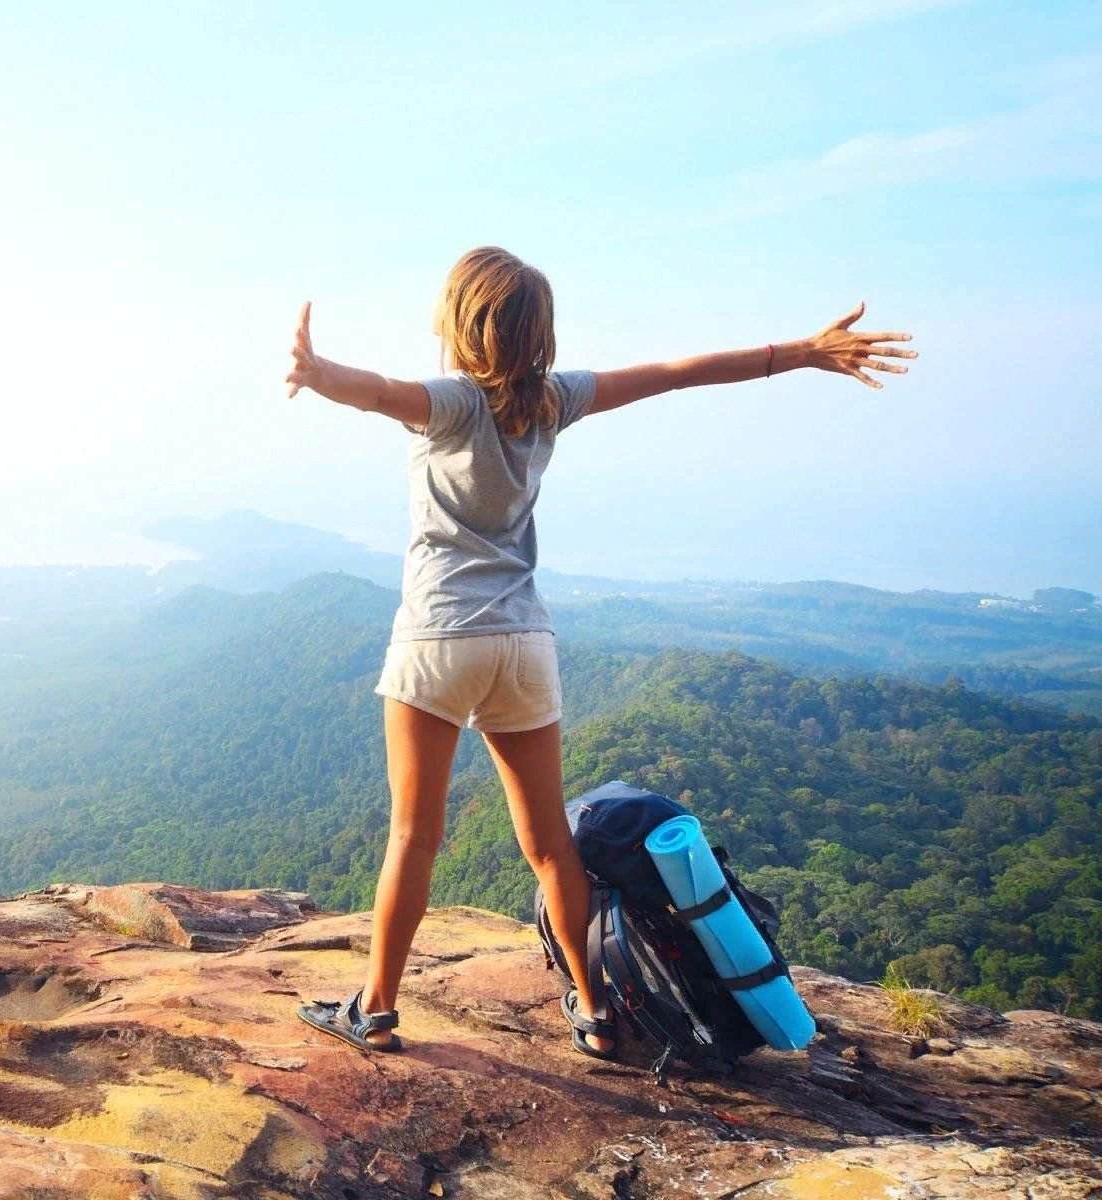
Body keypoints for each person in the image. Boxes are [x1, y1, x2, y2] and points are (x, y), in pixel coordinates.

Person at [286, 246, 915, 1057]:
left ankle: (373, 1009)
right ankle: (594, 1010)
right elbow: (675, 372)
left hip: (441, 635)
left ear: (460, 323)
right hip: (523, 641)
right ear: (535, 333)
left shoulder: (450, 402)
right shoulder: (553, 401)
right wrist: (800, 353)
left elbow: (375, 392)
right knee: (549, 842)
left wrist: (317, 369)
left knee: (414, 836)